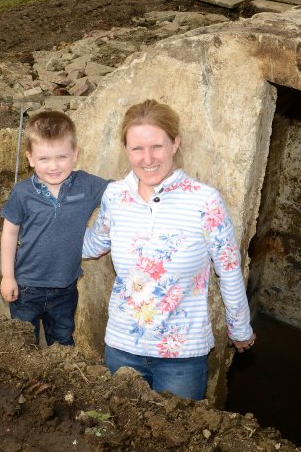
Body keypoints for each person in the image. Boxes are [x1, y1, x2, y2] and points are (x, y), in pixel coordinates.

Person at [83, 99, 256, 400]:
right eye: (137, 148)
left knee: (175, 441)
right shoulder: (115, 196)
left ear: (175, 144)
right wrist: (38, 239)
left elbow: (228, 269)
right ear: (126, 149)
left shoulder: (205, 201)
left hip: (182, 356)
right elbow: (95, 242)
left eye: (157, 147)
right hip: (122, 347)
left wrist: (239, 328)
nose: (147, 158)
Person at [0, 110, 109, 346]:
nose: (53, 166)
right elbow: (9, 233)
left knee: (61, 341)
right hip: (26, 285)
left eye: (61, 157)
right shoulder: (22, 193)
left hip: (65, 287)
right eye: (44, 159)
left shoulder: (87, 185)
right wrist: (8, 277)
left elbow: (120, 191)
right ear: (29, 158)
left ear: (75, 154)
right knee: (22, 342)